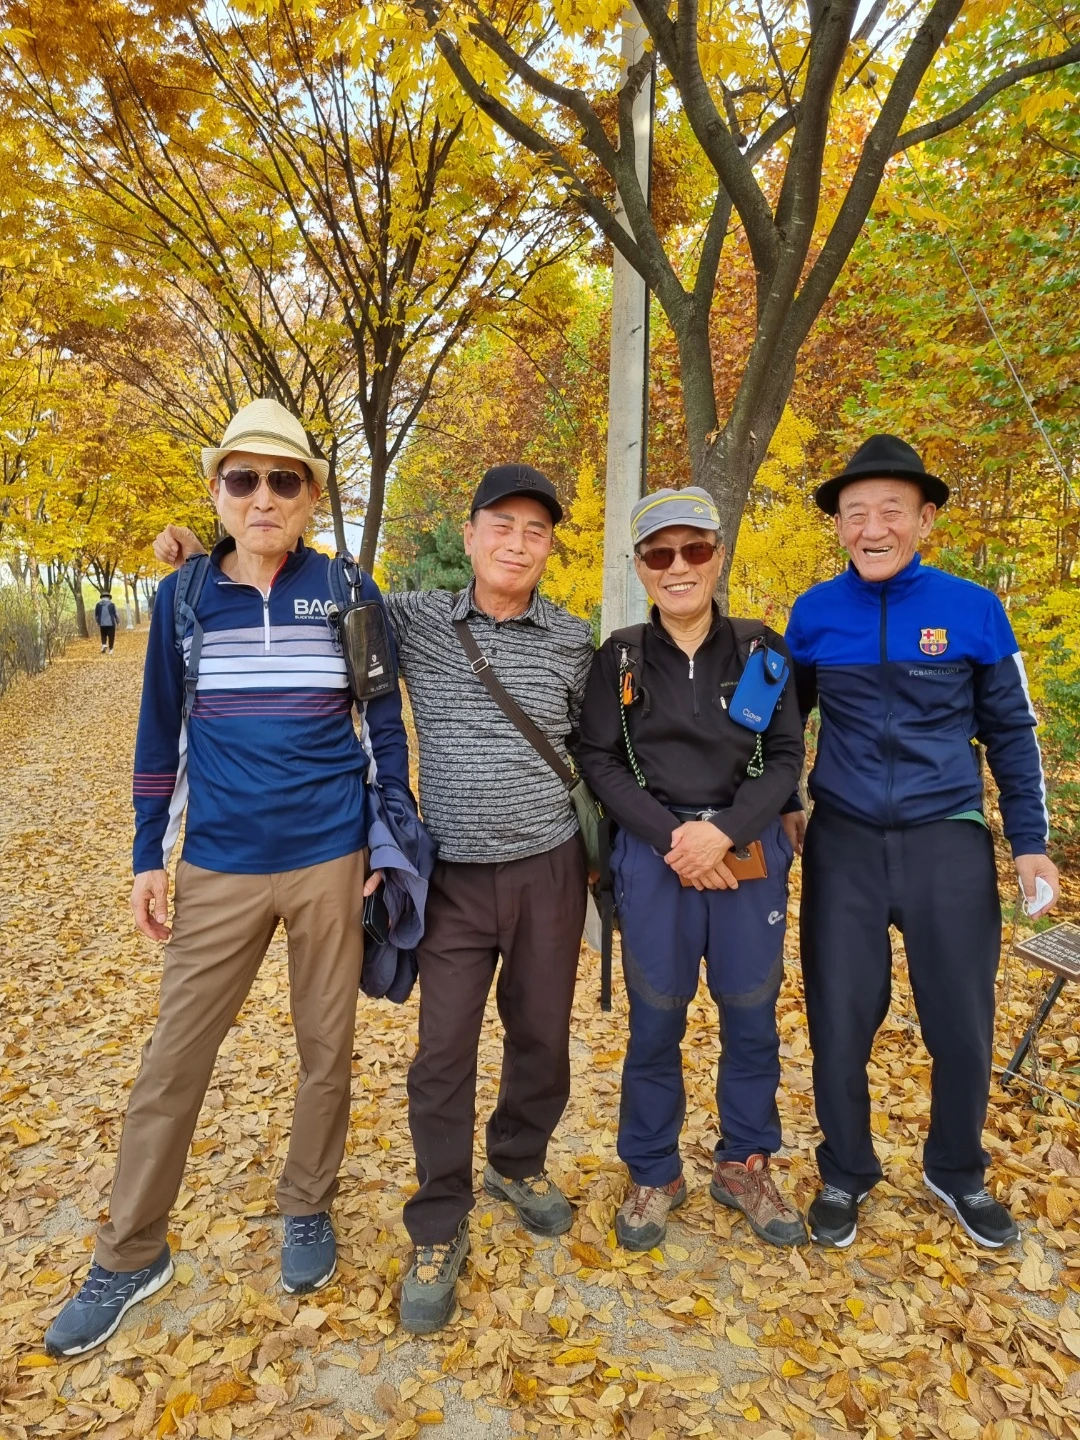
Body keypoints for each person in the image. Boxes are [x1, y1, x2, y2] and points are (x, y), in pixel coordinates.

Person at [152, 461, 595, 1335]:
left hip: (549, 866)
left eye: (535, 531)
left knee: (544, 1036)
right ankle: (439, 1219)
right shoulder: (414, 618)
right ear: (469, 537)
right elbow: (298, 582)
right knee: (442, 1051)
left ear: (550, 547)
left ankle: (517, 1161)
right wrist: (205, 553)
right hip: (453, 873)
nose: (516, 544)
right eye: (500, 526)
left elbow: (600, 746)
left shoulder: (574, 640)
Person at [45, 399, 411, 1358]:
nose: (263, 497)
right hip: (218, 865)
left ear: (310, 497)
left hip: (331, 859)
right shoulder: (182, 598)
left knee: (327, 1050)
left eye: (283, 480)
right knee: (174, 1059)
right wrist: (145, 856)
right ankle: (131, 1251)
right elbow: (157, 731)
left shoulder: (348, 589)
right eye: (243, 479)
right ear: (217, 491)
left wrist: (387, 842)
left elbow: (383, 725)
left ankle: (307, 1204)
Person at [785, 433, 1060, 1251]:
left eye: (892, 511)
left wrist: (1031, 841)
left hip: (948, 842)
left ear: (925, 519)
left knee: (962, 1021)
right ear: (838, 524)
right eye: (855, 513)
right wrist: (787, 802)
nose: (873, 528)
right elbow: (781, 725)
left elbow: (1012, 731)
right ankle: (845, 1171)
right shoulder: (813, 613)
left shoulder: (973, 609)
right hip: (843, 844)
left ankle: (957, 1170)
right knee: (839, 1018)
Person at [576, 487, 807, 1251]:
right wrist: (676, 838)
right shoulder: (618, 657)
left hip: (748, 855)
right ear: (641, 567)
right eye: (659, 554)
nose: (678, 567)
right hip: (654, 857)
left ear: (717, 556)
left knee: (751, 1016)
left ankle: (744, 1163)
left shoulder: (761, 650)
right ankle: (654, 1170)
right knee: (655, 1020)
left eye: (695, 550)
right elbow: (599, 760)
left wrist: (725, 834)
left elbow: (786, 758)